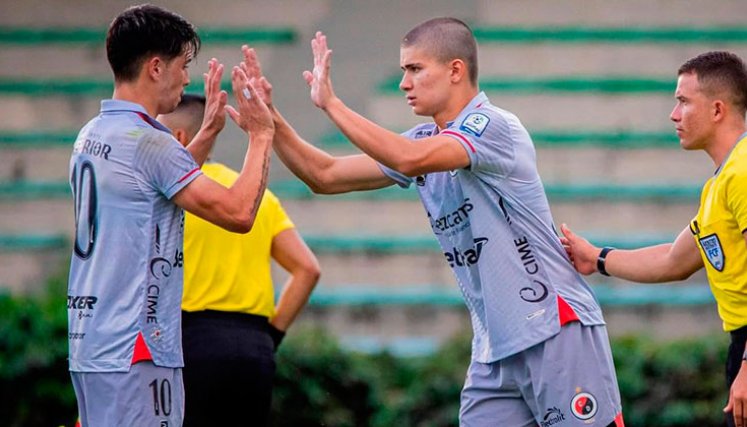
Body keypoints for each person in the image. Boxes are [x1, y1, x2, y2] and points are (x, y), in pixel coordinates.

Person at [244, 17, 624, 426]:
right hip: (493, 348)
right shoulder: (425, 138)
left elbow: (409, 160)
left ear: (455, 70)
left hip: (553, 328)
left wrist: (332, 104)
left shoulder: (492, 125)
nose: (404, 82)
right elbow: (326, 176)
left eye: (415, 69)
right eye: (404, 70)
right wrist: (272, 123)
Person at [66, 4, 274, 426]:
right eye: (183, 65)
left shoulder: (93, 133)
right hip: (137, 346)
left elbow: (152, 189)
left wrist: (206, 135)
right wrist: (261, 134)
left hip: (90, 342)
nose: (187, 77)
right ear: (156, 68)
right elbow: (238, 213)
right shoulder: (149, 143)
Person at [560, 51, 747, 427]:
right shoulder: (721, 183)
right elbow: (673, 261)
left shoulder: (742, 172)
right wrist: (596, 258)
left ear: (716, 110)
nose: (673, 115)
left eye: (682, 102)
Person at [157, 94, 320, 426]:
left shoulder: (173, 198)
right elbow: (307, 269)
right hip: (253, 347)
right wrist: (271, 336)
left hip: (193, 341)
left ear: (179, 138)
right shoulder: (257, 196)